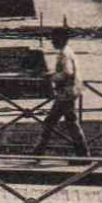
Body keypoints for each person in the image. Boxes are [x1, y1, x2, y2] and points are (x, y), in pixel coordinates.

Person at [33, 29, 89, 157]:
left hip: (66, 93)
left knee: (64, 123)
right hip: (69, 92)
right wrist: (52, 73)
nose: (52, 41)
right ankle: (38, 151)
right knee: (55, 121)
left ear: (62, 39)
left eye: (54, 39)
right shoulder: (67, 51)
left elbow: (67, 73)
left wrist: (50, 77)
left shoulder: (64, 54)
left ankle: (83, 154)